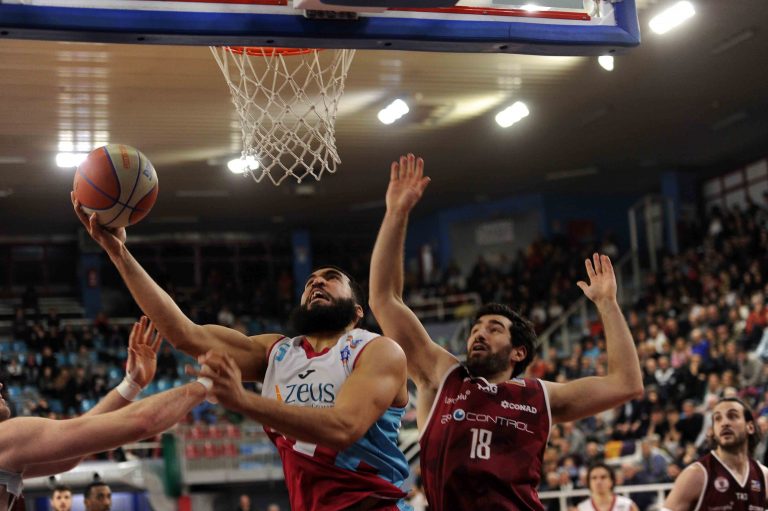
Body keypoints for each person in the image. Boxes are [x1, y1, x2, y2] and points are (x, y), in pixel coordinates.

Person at [72, 195, 412, 511]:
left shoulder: (377, 350)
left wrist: (242, 400)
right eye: (310, 281)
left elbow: (343, 429)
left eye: (331, 278)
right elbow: (185, 334)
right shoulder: (277, 353)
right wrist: (118, 253)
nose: (316, 283)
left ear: (357, 311)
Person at [368, 154, 644, 511]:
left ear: (518, 352)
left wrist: (607, 303)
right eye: (476, 328)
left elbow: (627, 384)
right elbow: (384, 299)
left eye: (494, 328)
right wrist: (396, 213)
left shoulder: (539, 396)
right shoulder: (442, 377)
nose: (479, 334)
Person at [0, 318, 209, 510]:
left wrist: (131, 385)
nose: (1, 385)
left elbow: (71, 454)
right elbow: (141, 422)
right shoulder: (7, 436)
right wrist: (208, 384)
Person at [662, 397, 768, 511]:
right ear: (712, 431)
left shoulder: (764, 476)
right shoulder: (696, 475)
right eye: (718, 418)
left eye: (732, 416)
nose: (724, 423)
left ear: (750, 427)